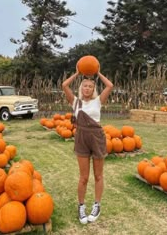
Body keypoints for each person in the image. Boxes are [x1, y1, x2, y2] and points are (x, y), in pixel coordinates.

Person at [62, 66, 113, 224]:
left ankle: (97, 205)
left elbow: (110, 86)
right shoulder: (75, 102)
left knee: (98, 175)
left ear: (93, 89)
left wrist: (97, 73)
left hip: (97, 138)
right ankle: (81, 206)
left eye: (90, 86)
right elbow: (64, 85)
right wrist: (77, 73)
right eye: (85, 85)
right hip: (81, 138)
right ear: (81, 87)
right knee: (83, 177)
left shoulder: (98, 102)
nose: (87, 88)